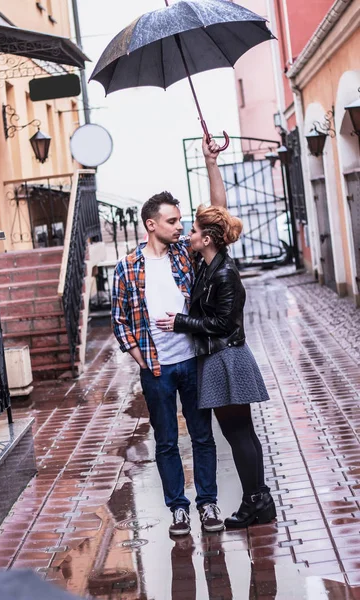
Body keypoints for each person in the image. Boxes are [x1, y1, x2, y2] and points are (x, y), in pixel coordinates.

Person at [112, 135, 226, 536]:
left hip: (192, 360)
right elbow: (119, 319)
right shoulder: (127, 267)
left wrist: (210, 161)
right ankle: (178, 508)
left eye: (180, 221)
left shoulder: (184, 253)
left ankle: (208, 505)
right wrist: (138, 356)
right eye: (173, 221)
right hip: (157, 369)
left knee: (202, 437)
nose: (180, 226)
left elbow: (217, 216)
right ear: (151, 224)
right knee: (165, 442)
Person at [156, 204, 276, 528]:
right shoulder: (209, 264)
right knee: (241, 433)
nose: (189, 234)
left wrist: (181, 322)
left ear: (207, 238)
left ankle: (256, 502)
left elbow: (222, 323)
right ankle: (259, 499)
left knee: (239, 433)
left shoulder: (223, 272)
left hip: (227, 358)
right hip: (221, 358)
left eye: (194, 231)